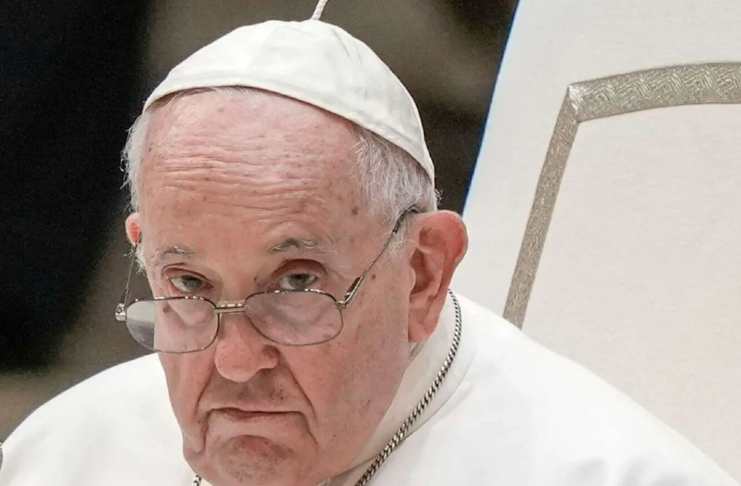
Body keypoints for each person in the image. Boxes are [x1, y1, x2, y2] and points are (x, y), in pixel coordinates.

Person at [0, 4, 738, 486]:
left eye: (294, 284)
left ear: (422, 273)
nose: (232, 360)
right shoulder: (66, 457)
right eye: (188, 286)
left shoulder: (604, 473)